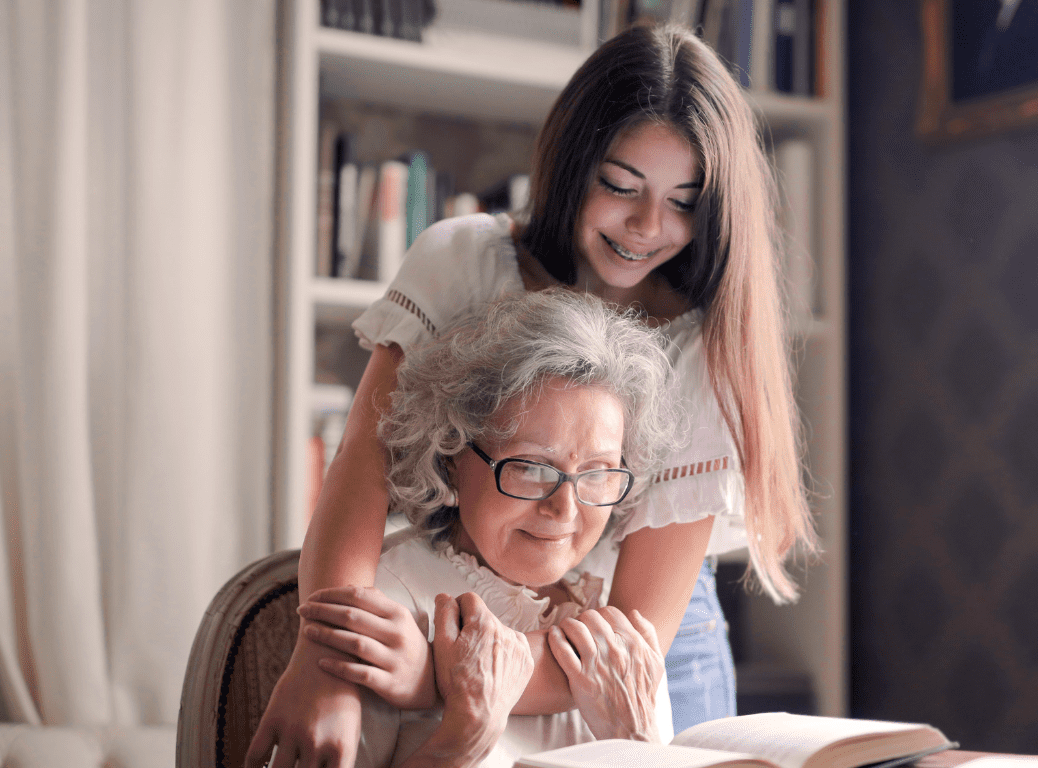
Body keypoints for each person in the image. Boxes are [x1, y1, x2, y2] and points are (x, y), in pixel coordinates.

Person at [248, 21, 817, 768]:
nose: (648, 227)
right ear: (571, 165)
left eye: (684, 202)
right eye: (620, 187)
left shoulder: (702, 348)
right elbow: (362, 464)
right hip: (461, 602)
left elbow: (635, 628)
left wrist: (434, 678)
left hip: (637, 643)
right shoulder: (464, 262)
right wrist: (326, 658)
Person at [263, 290, 675, 767]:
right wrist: (462, 741)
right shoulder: (384, 606)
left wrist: (638, 741)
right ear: (451, 457)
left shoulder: (617, 630)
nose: (565, 508)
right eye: (530, 466)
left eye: (597, 472)